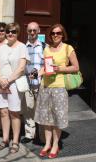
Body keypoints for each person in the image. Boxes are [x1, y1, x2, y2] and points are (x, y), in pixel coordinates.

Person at [34, 24, 79, 158]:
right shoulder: (47, 49)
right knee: (46, 118)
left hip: (59, 87)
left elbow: (75, 67)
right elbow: (44, 66)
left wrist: (59, 69)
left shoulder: (67, 48)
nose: (55, 35)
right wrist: (37, 74)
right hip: (45, 87)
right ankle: (47, 144)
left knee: (57, 118)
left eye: (58, 33)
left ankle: (55, 145)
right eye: (53, 33)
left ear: (62, 34)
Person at [0, 23, 30, 153]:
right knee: (3, 112)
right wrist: (0, 79)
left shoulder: (22, 47)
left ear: (18, 33)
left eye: (13, 32)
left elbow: (21, 68)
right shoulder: (2, 47)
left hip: (14, 84)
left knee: (14, 113)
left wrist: (8, 80)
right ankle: (5, 139)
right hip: (1, 84)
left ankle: (15, 141)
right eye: (8, 31)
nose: (10, 34)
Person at [21, 22, 45, 144]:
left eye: (34, 30)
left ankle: (42, 136)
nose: (32, 33)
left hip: (41, 84)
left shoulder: (45, 47)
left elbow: (48, 66)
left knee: (41, 110)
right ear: (27, 31)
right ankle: (29, 134)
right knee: (28, 110)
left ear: (38, 30)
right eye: (30, 30)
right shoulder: (22, 47)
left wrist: (37, 74)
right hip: (27, 84)